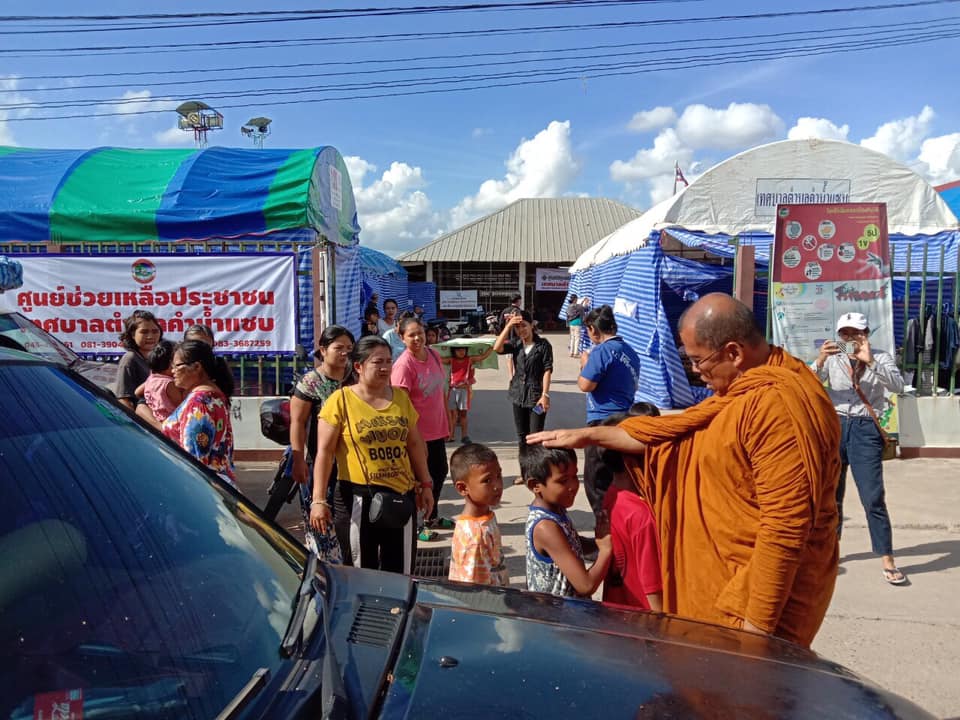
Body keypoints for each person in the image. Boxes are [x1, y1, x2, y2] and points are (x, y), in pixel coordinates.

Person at [528, 293, 840, 648]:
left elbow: (784, 529)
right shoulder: (743, 389)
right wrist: (588, 435)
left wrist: (756, 635)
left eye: (697, 360)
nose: (694, 371)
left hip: (752, 607)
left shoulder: (778, 405)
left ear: (734, 353)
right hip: (724, 587)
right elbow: (679, 430)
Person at [309, 335, 434, 573]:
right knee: (359, 573)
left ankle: (396, 611)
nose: (386, 367)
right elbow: (324, 454)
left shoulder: (400, 398)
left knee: (401, 573)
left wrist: (425, 483)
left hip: (400, 497)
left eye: (389, 361)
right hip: (357, 500)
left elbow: (415, 444)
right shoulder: (340, 401)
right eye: (378, 362)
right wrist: (318, 500)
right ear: (358, 366)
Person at [813, 311, 907, 585]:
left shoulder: (881, 357)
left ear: (866, 335)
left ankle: (887, 558)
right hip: (837, 426)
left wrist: (872, 362)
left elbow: (898, 386)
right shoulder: (833, 358)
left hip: (866, 430)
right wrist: (820, 360)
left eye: (856, 333)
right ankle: (832, 550)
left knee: (873, 497)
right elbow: (808, 383)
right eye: (845, 333)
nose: (850, 338)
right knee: (832, 495)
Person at [289, 325, 355, 557]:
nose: (345, 353)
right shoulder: (311, 381)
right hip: (319, 463)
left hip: (351, 464)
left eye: (349, 348)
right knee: (321, 525)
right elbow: (297, 422)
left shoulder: (355, 378)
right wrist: (298, 460)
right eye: (338, 348)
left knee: (348, 527)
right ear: (323, 350)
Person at [521, 444, 612, 598]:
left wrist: (598, 540)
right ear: (535, 485)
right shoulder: (546, 527)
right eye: (563, 480)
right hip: (559, 617)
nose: (573, 486)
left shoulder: (556, 509)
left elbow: (572, 544)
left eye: (575, 476)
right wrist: (605, 550)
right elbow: (585, 585)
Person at [390, 316, 453, 539]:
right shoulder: (403, 366)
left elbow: (441, 391)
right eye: (411, 335)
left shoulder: (434, 355)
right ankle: (418, 525)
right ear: (402, 338)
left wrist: (447, 420)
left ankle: (431, 516)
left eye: (420, 333)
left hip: (436, 429)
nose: (418, 338)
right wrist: (412, 438)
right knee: (419, 480)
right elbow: (401, 408)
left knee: (439, 472)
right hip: (417, 436)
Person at [578, 304, 641, 517]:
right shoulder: (630, 351)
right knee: (621, 478)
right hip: (626, 419)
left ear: (593, 330)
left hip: (603, 421)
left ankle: (605, 529)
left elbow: (586, 385)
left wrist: (585, 363)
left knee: (597, 482)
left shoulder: (601, 351)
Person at [598, 405, 663, 611]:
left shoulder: (612, 495)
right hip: (643, 621)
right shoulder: (641, 516)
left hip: (618, 613)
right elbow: (652, 589)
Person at [161, 339, 237, 484]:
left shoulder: (199, 404)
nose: (172, 371)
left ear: (196, 367)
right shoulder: (214, 396)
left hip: (201, 487)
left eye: (177, 366)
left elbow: (194, 459)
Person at [493, 311, 553, 472]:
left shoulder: (543, 346)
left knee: (535, 436)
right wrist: (508, 326)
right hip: (517, 395)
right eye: (518, 328)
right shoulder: (515, 344)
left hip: (536, 397)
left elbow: (547, 370)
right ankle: (525, 472)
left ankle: (537, 471)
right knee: (522, 437)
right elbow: (497, 348)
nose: (522, 330)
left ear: (532, 325)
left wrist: (545, 395)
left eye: (524, 326)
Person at [447, 443, 509, 587]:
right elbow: (473, 592)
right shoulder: (474, 536)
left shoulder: (486, 517)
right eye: (487, 480)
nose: (497, 485)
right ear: (463, 488)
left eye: (499, 476)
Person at [441, 343, 494, 444]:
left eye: (463, 350)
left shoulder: (470, 359)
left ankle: (464, 436)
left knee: (463, 415)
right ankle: (450, 435)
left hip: (464, 391)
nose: (461, 352)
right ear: (454, 351)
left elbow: (483, 357)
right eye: (458, 350)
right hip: (453, 390)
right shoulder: (451, 360)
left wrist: (492, 348)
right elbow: (438, 358)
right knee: (452, 415)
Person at [116, 310, 163, 414]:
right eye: (144, 332)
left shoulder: (162, 357)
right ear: (132, 335)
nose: (150, 336)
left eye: (155, 331)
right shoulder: (130, 359)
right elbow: (124, 400)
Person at [136, 339, 185, 423]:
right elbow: (181, 404)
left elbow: (137, 392)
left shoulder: (152, 378)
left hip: (156, 418)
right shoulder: (169, 384)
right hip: (171, 422)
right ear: (170, 364)